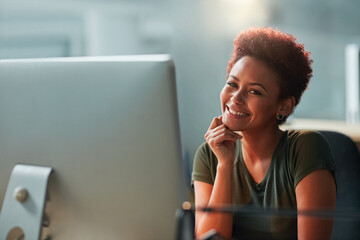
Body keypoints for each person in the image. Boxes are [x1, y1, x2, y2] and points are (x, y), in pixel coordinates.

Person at [191, 27, 336, 240]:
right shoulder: (209, 155)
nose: (236, 98)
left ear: (284, 106)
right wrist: (224, 166)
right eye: (232, 84)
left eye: (254, 91)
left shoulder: (306, 149)